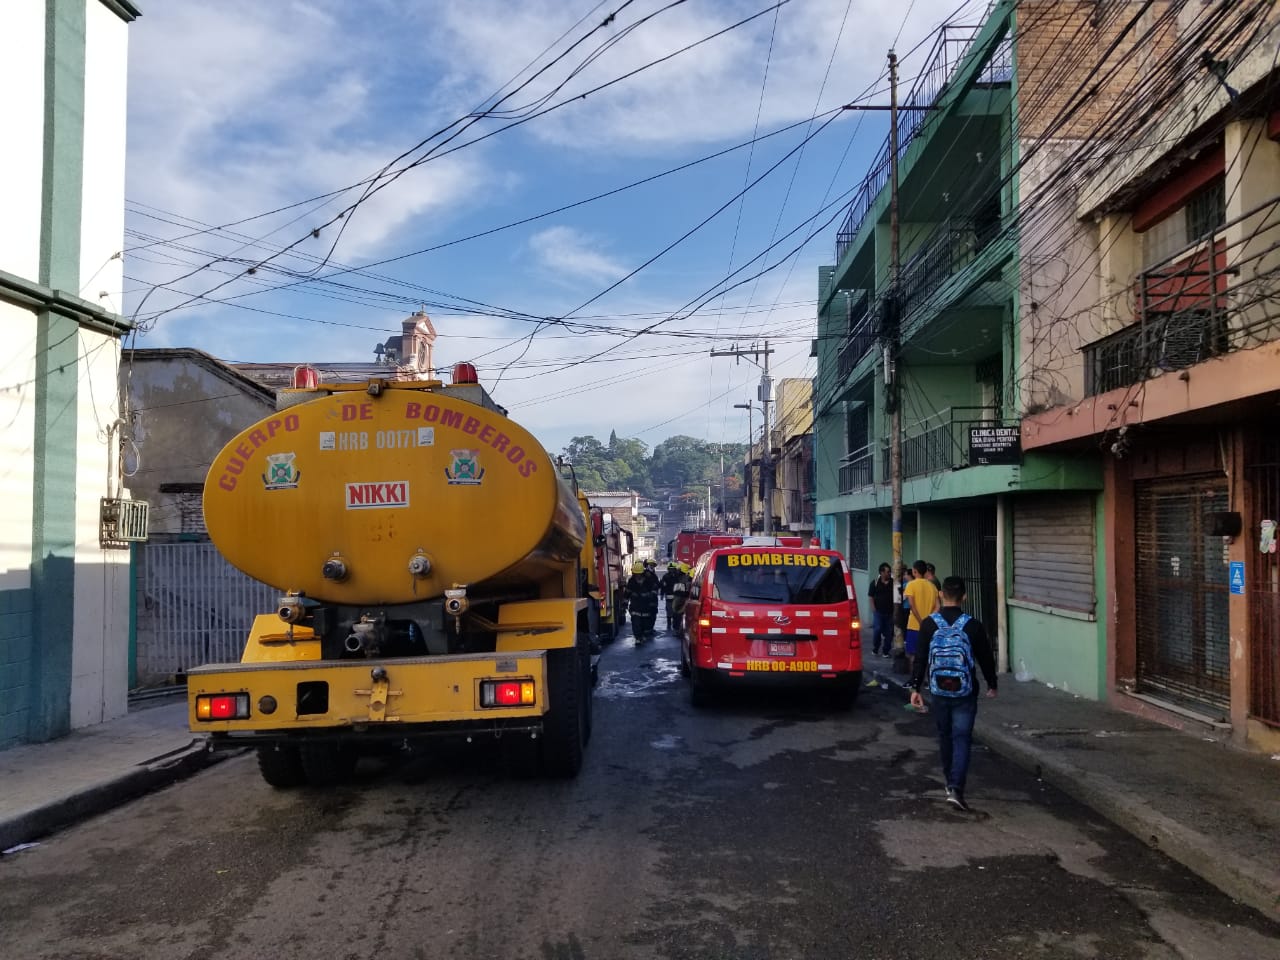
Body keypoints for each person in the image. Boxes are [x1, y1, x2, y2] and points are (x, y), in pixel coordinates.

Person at [909, 575, 998, 812]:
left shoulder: (929, 624)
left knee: (945, 736)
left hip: (938, 690)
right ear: (964, 597)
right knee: (962, 738)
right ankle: (957, 787)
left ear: (941, 594)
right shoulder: (973, 625)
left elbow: (920, 658)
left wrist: (915, 688)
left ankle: (949, 783)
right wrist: (992, 683)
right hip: (965, 692)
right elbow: (986, 659)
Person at [902, 560, 940, 676]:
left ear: (914, 571)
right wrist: (928, 619)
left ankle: (915, 680)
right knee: (927, 654)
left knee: (913, 655)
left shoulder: (911, 585)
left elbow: (912, 606)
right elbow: (938, 606)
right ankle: (928, 681)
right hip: (929, 627)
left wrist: (921, 621)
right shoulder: (932, 586)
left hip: (914, 625)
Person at [625, 561, 660, 642]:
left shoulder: (648, 580)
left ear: (642, 573)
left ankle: (643, 635)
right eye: (635, 574)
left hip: (645, 607)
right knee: (635, 623)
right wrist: (625, 603)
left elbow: (654, 589)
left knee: (645, 623)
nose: (637, 576)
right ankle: (637, 637)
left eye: (639, 574)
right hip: (635, 606)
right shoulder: (631, 581)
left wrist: (649, 596)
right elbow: (627, 592)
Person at [867, 563, 895, 658]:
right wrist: (873, 608)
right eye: (887, 572)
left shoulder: (894, 583)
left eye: (889, 572)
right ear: (881, 572)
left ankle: (886, 651)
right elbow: (870, 596)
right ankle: (876, 648)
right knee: (877, 629)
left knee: (889, 632)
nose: (889, 574)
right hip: (878, 611)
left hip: (890, 612)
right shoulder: (875, 582)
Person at [660, 562, 682, 628]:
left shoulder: (678, 577)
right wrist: (662, 594)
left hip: (677, 597)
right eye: (670, 569)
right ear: (668, 569)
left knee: (676, 611)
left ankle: (675, 624)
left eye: (673, 569)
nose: (671, 570)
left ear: (675, 569)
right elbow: (663, 586)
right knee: (669, 611)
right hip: (669, 597)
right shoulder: (665, 576)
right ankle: (669, 624)